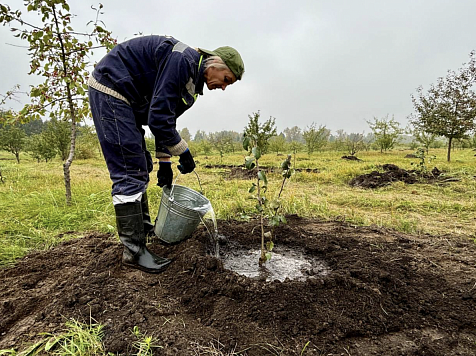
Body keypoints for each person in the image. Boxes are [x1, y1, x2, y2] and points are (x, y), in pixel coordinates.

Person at [88, 35, 244, 273]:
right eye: (226, 80)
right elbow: (158, 119)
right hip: (113, 90)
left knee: (141, 166)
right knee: (130, 171)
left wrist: (164, 162)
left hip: (130, 102)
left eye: (227, 85)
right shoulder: (183, 61)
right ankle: (134, 251)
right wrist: (184, 151)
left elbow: (164, 120)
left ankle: (143, 228)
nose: (223, 87)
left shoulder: (191, 87)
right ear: (215, 65)